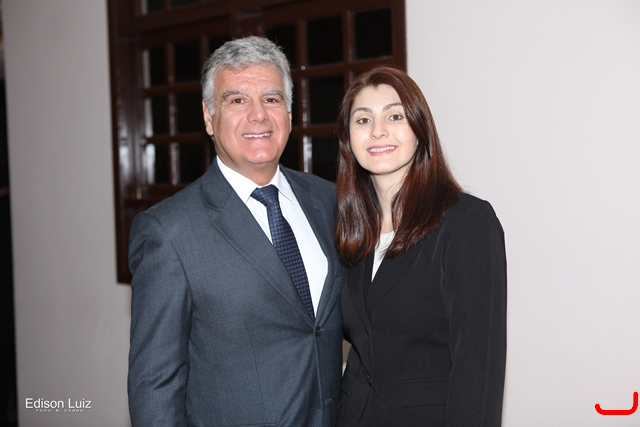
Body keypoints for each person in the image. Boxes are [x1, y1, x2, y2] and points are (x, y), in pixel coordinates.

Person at [127, 36, 343, 427]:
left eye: (272, 99)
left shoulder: (327, 200)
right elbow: (155, 387)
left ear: (289, 113)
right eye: (238, 100)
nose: (258, 115)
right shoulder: (168, 232)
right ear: (209, 116)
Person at [335, 65, 507, 426]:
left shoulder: (466, 223)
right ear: (348, 139)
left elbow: (478, 367)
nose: (378, 131)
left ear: (419, 129)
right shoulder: (352, 230)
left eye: (394, 116)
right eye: (363, 120)